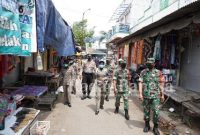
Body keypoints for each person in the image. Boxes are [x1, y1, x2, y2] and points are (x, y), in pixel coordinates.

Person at [138, 58, 165, 135]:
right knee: (146, 111)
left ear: (154, 64)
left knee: (156, 112)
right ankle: (147, 125)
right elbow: (140, 82)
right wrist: (140, 94)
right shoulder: (143, 72)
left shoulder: (158, 72)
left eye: (151, 63)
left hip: (156, 96)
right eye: (148, 63)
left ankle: (155, 127)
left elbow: (161, 84)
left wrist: (162, 94)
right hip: (146, 95)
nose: (149, 64)